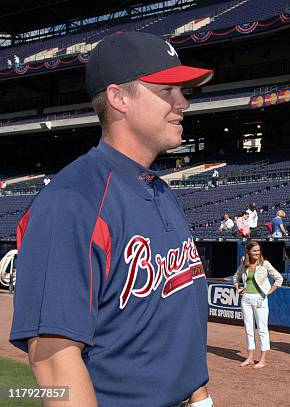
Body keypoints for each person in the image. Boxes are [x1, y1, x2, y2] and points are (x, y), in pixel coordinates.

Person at [10, 31, 215, 407]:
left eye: (182, 91)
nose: (183, 102)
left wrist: (199, 397)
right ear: (119, 97)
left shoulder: (160, 190)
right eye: (167, 90)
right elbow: (54, 359)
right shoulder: (71, 201)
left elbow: (176, 316)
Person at [233, 241, 283, 368]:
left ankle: (263, 359)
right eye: (254, 251)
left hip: (260, 298)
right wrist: (238, 288)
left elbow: (279, 278)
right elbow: (235, 277)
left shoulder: (264, 264)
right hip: (246, 299)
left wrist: (268, 292)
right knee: (249, 329)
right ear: (248, 251)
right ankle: (250, 357)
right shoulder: (244, 262)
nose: (257, 253)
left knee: (262, 329)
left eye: (258, 250)